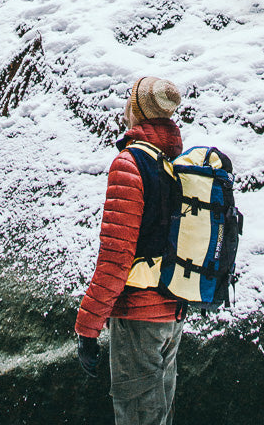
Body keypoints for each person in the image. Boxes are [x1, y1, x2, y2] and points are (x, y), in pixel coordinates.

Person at [75, 75, 185, 425]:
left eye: (130, 101)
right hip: (171, 313)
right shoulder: (173, 167)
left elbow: (116, 258)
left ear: (138, 111)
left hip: (138, 317)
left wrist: (87, 328)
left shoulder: (130, 164)